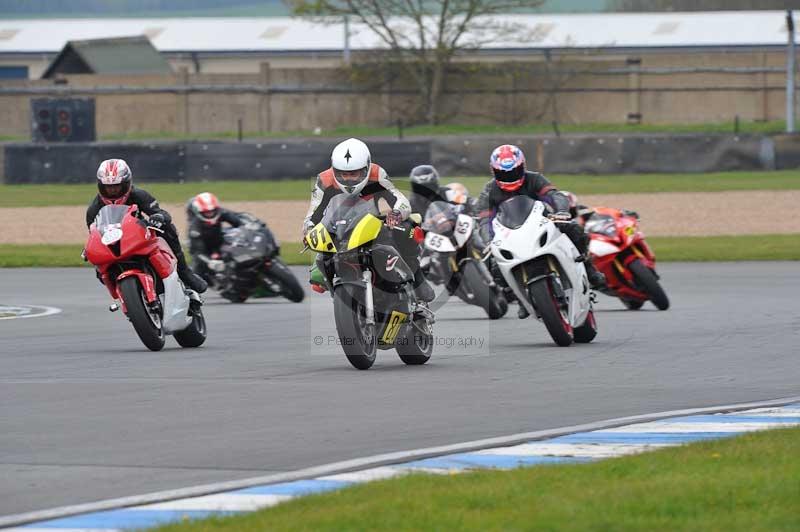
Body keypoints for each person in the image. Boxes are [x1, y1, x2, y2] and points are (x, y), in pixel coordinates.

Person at [475, 145, 606, 318]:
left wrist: (561, 212)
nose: (510, 177)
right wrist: (488, 240)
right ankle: (519, 296)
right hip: (510, 233)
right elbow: (484, 219)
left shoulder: (534, 179)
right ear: (494, 172)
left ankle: (589, 269)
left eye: (514, 172)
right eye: (504, 174)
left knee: (573, 227)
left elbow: (555, 195)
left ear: (523, 167)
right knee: (491, 262)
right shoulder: (489, 191)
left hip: (542, 222)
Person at [303, 138, 434, 302]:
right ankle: (339, 295)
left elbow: (400, 200)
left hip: (373, 226)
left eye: (354, 174)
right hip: (339, 230)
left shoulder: (376, 174)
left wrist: (396, 214)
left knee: (409, 229)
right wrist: (308, 230)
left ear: (366, 168)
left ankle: (416, 278)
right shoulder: (325, 180)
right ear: (335, 170)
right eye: (343, 174)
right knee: (318, 269)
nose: (348, 179)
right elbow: (314, 212)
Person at [85, 158, 208, 293]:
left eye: (117, 186)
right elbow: (94, 233)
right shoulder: (94, 208)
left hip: (139, 236)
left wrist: (158, 217)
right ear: (101, 186)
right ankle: (123, 294)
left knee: (167, 228)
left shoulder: (138, 195)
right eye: (108, 187)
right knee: (99, 270)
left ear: (126, 183)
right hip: (115, 244)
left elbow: (161, 213)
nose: (113, 190)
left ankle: (184, 272)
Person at [186, 192, 247, 286]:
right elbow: (198, 253)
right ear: (199, 212)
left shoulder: (221, 212)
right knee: (198, 272)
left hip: (219, 241)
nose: (210, 214)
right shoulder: (195, 228)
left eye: (212, 211)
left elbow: (238, 221)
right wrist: (210, 261)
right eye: (207, 212)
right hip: (203, 249)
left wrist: (248, 227)